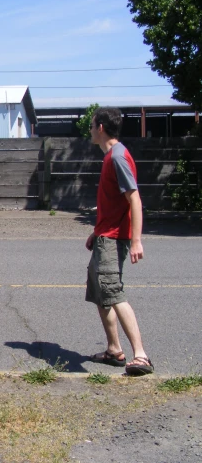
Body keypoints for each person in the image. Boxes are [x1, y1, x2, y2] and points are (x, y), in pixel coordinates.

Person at [85, 107, 153, 376]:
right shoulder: (111, 157)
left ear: (100, 127)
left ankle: (141, 356)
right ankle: (114, 350)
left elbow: (134, 199)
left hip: (114, 239)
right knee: (100, 294)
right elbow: (114, 205)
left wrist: (136, 240)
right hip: (105, 235)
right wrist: (96, 230)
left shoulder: (117, 158)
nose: (90, 130)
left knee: (112, 292)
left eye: (91, 126)